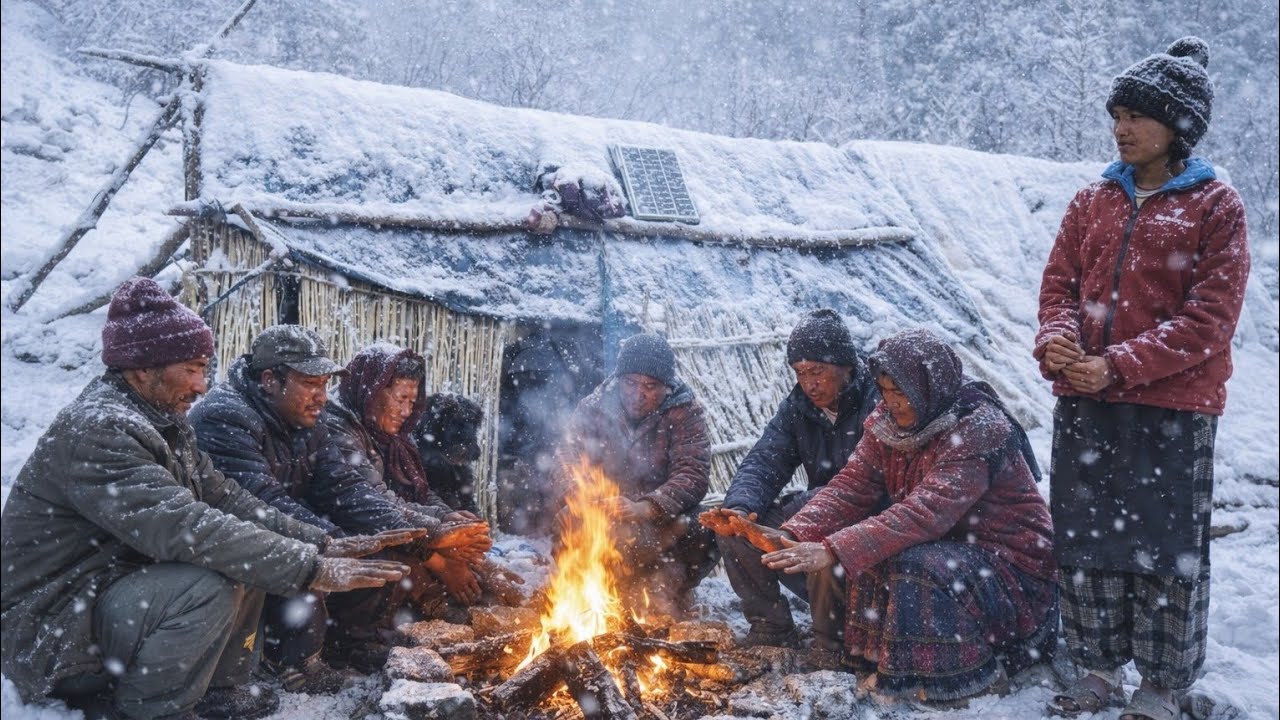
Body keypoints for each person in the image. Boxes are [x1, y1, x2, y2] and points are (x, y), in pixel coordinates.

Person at [0, 278, 414, 720]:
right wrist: (309, 565)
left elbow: (227, 499)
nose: (201, 385)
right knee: (212, 577)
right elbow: (184, 526)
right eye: (193, 369)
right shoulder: (101, 430)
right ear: (143, 369)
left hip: (104, 596)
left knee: (249, 550)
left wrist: (317, 541)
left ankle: (219, 688)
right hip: (53, 626)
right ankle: (154, 710)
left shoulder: (162, 423)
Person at [1035, 37, 1250, 720]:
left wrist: (1118, 365)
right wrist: (1059, 342)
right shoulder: (1092, 201)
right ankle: (1097, 670)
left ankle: (1161, 685)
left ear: (1178, 127)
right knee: (1088, 539)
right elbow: (1057, 289)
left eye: (1137, 116)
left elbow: (1207, 320)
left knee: (1163, 548)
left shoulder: (1216, 207)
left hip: (1171, 406)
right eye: (1117, 115)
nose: (1122, 129)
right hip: (1086, 402)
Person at [725, 329, 1058, 706]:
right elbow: (851, 487)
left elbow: (927, 512)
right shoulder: (887, 423)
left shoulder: (978, 428)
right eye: (885, 391)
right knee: (874, 551)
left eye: (901, 393)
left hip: (1010, 564)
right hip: (954, 547)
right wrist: (790, 532)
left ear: (928, 387)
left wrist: (833, 549)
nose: (892, 403)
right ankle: (891, 661)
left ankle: (972, 675)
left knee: (913, 563)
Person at [189, 326, 472, 683]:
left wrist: (425, 533)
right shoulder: (226, 417)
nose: (321, 396)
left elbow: (346, 487)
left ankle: (337, 648)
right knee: (311, 560)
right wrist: (330, 541)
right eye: (310, 384)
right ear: (269, 380)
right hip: (232, 542)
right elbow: (259, 502)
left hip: (289, 528)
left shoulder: (308, 422)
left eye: (324, 384)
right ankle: (287, 662)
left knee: (378, 549)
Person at [700, 309, 878, 647]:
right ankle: (772, 627)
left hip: (868, 519)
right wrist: (740, 508)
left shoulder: (877, 403)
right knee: (737, 531)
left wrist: (803, 513)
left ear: (847, 366)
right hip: (816, 510)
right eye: (800, 372)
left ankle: (834, 641)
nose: (809, 383)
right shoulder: (800, 407)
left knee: (819, 538)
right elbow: (767, 458)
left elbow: (867, 487)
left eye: (818, 371)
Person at [324, 343, 519, 619]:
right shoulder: (338, 428)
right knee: (407, 566)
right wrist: (438, 556)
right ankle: (366, 638)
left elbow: (418, 492)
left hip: (392, 529)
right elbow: (375, 505)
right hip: (349, 538)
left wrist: (448, 517)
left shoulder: (390, 432)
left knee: (474, 576)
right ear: (372, 391)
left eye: (412, 402)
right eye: (400, 398)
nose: (406, 411)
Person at [553, 333, 717, 616]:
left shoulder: (685, 412)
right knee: (567, 518)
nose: (639, 394)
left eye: (651, 386)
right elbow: (566, 457)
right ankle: (597, 588)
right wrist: (586, 498)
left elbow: (693, 473)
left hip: (659, 516)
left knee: (703, 528)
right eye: (630, 383)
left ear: (666, 387)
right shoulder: (594, 406)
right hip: (604, 513)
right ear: (619, 380)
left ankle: (669, 590)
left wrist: (647, 507)